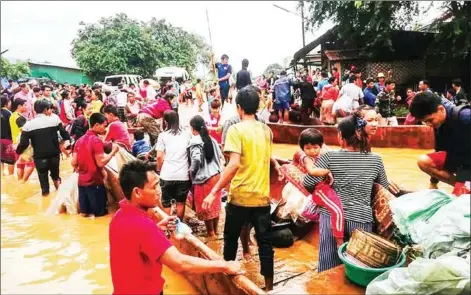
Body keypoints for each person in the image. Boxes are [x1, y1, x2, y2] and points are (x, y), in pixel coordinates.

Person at [109, 160, 243, 295]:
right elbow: (180, 263)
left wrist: (157, 230)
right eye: (154, 187)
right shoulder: (143, 226)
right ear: (137, 192)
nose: (158, 191)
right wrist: (224, 265)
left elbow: (135, 248)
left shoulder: (119, 216)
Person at [202, 86, 278, 291]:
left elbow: (233, 164)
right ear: (258, 106)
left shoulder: (236, 129)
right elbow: (266, 159)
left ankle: (227, 283)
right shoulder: (266, 131)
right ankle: (269, 287)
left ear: (239, 108)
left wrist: (213, 191)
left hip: (240, 197)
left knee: (230, 241)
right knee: (265, 244)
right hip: (262, 197)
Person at [303, 112, 389, 272]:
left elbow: (307, 182)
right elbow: (384, 188)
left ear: (341, 135)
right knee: (357, 269)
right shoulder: (376, 159)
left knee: (327, 269)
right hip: (362, 220)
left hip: (331, 218)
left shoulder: (329, 157)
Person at [410, 91, 470, 195]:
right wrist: (433, 183)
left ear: (441, 109)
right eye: (425, 122)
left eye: (430, 120)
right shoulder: (438, 123)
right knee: (423, 162)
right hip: (460, 160)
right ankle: (462, 186)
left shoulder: (466, 117)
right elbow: (439, 150)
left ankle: (465, 186)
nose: (428, 124)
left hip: (467, 162)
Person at [295, 129, 344, 245]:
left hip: (326, 188)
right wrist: (328, 171)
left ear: (320, 146)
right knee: (337, 211)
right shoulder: (306, 158)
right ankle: (339, 241)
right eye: (308, 148)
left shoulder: (323, 155)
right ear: (303, 148)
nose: (312, 151)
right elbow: (312, 170)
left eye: (315, 147)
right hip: (320, 190)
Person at [16, 100, 71, 196]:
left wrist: (18, 152)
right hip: (54, 154)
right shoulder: (55, 120)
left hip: (39, 157)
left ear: (35, 110)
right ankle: (61, 198)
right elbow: (64, 134)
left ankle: (45, 199)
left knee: (43, 181)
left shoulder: (28, 125)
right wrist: (68, 143)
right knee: (56, 177)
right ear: (45, 110)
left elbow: (23, 143)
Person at [72, 113, 120, 217]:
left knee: (84, 214)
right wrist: (113, 152)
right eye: (104, 125)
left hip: (81, 183)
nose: (105, 129)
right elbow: (100, 162)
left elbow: (73, 163)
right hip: (95, 182)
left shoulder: (79, 141)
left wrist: (81, 170)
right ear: (97, 125)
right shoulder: (96, 140)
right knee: (100, 215)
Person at [188, 115, 224, 238]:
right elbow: (220, 156)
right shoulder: (212, 140)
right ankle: (216, 232)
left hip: (204, 179)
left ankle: (211, 233)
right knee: (215, 205)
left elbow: (196, 159)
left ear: (193, 129)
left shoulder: (195, 141)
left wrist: (191, 171)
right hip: (217, 176)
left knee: (206, 207)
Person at [155, 110, 192, 221]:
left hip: (167, 175)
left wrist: (160, 170)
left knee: (166, 203)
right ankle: (179, 224)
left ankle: (170, 227)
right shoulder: (187, 134)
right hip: (183, 175)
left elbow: (159, 157)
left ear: (165, 122)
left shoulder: (163, 135)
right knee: (180, 203)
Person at [13, 116, 35, 183]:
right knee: (31, 163)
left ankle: (20, 180)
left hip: (20, 146)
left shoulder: (19, 132)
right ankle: (24, 180)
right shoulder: (28, 128)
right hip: (29, 147)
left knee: (20, 162)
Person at [1, 95, 15, 175]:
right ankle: (11, 176)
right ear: (6, 104)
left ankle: (2, 174)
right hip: (8, 140)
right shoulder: (9, 113)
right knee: (10, 160)